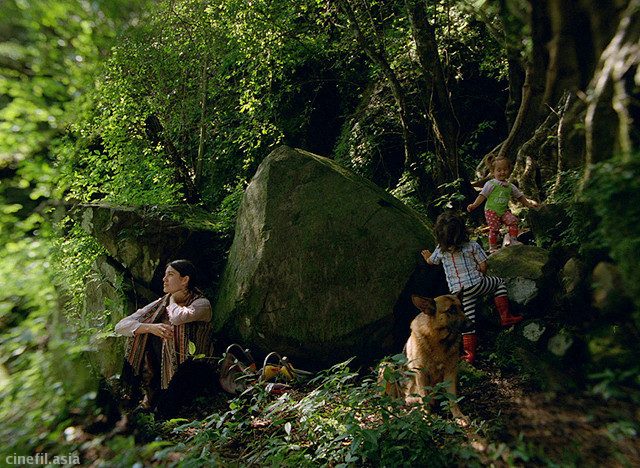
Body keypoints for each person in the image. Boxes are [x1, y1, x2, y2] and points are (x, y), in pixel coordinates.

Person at [421, 212, 523, 363]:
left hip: (459, 294)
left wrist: (427, 256)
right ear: (463, 230)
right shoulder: (472, 246)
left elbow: (431, 262)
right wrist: (481, 273)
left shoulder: (440, 250)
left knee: (467, 319)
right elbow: (483, 265)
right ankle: (505, 316)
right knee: (499, 283)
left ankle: (469, 354)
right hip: (477, 284)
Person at [115, 259, 213, 411]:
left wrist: (172, 299)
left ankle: (168, 398)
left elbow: (177, 317)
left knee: (175, 329)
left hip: (193, 368)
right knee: (142, 331)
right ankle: (146, 394)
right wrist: (150, 328)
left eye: (170, 275)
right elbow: (120, 326)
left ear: (185, 280)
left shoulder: (201, 304)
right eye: (165, 275)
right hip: (162, 368)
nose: (164, 279)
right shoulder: (161, 303)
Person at [467, 154, 538, 253]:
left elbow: (520, 196)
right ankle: (492, 247)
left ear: (509, 170)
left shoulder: (510, 186)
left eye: (505, 170)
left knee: (513, 221)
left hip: (503, 211)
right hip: (491, 211)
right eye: (499, 170)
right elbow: (482, 195)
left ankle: (513, 240)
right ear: (493, 172)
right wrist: (474, 205)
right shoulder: (491, 184)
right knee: (494, 229)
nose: (502, 172)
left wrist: (528, 205)